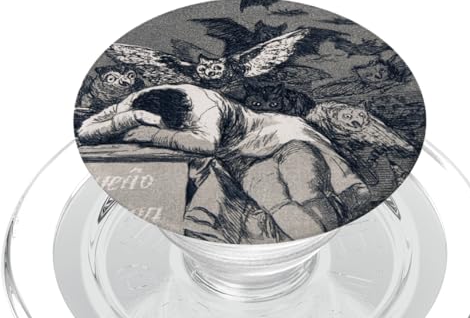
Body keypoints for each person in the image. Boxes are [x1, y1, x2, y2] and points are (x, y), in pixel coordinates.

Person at [78, 84, 369, 241]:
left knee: (305, 189)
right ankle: (310, 251)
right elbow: (85, 131)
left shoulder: (203, 104)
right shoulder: (134, 104)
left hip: (279, 138)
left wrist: (153, 134)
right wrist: (129, 118)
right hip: (242, 161)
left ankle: (334, 249)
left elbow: (207, 144)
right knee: (277, 205)